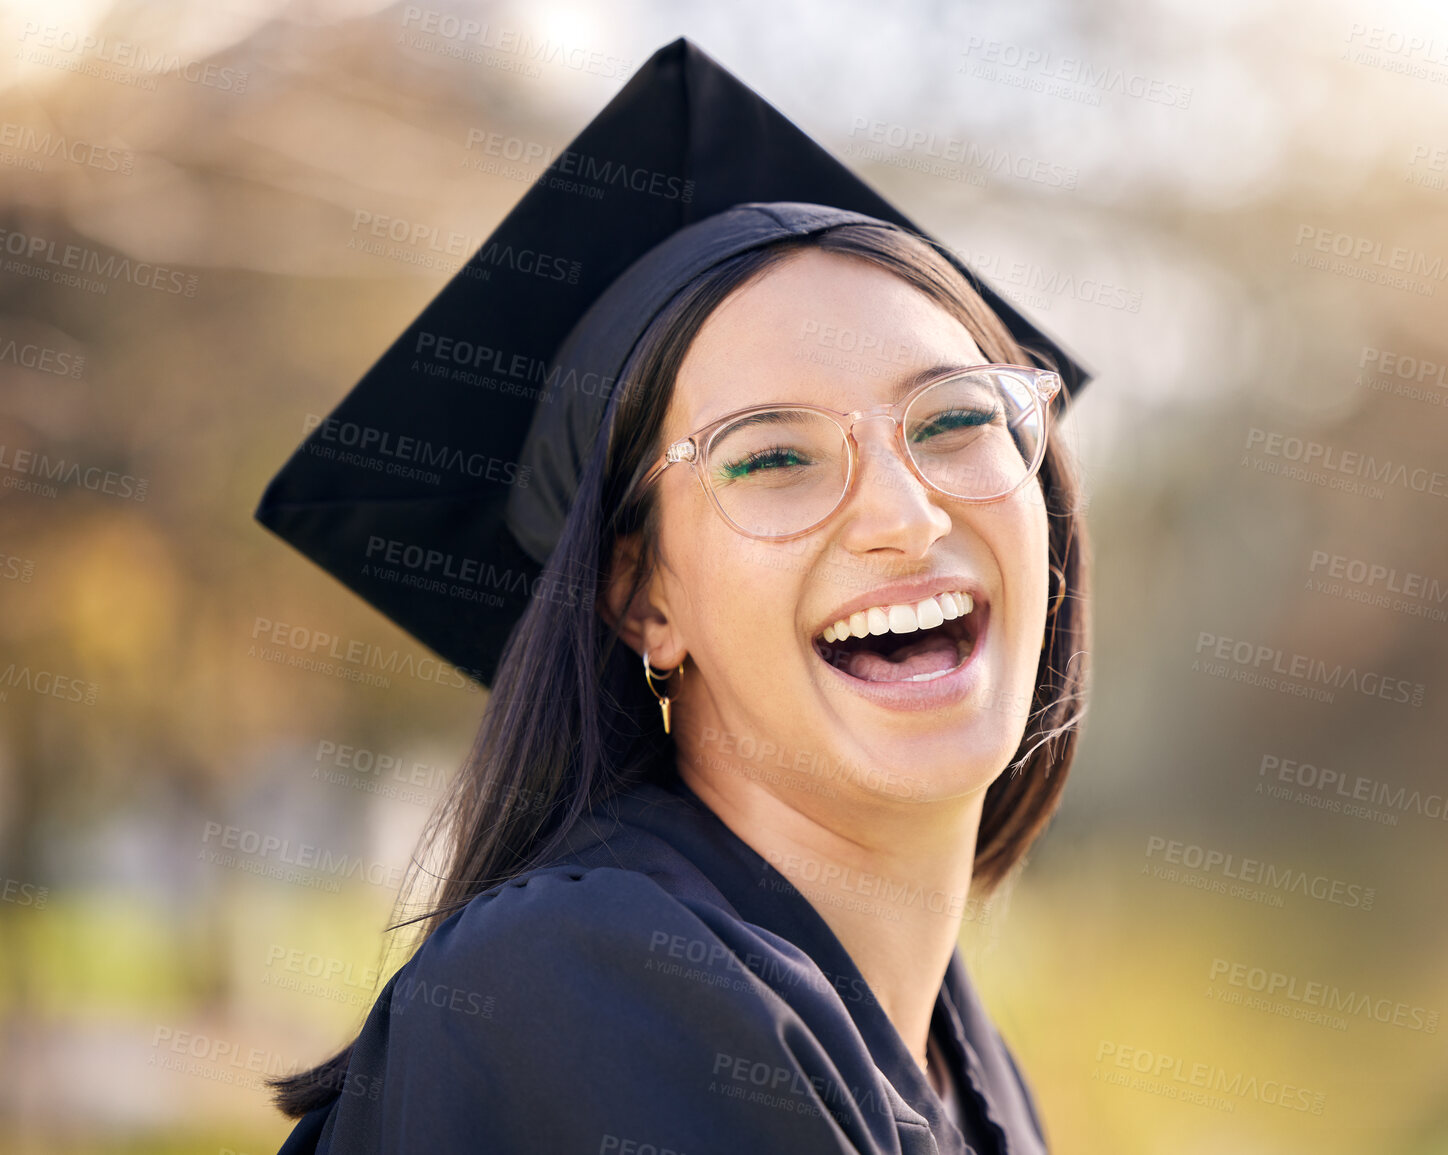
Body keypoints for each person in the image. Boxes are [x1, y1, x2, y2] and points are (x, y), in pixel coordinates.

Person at [256, 39, 1092, 1155]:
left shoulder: (955, 1053)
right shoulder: (586, 977)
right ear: (642, 598)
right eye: (773, 457)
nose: (907, 515)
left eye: (953, 421)